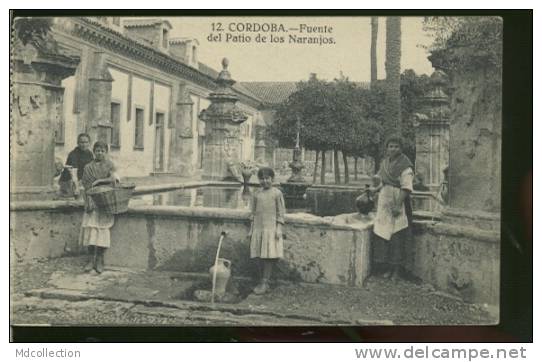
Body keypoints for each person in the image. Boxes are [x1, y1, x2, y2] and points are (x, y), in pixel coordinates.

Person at [370, 135, 414, 281]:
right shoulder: (385, 163)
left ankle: (397, 270)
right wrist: (375, 190)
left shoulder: (405, 165)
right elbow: (381, 182)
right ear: (387, 148)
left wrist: (397, 205)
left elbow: (406, 187)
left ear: (401, 149)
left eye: (396, 146)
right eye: (391, 146)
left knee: (397, 236)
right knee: (383, 234)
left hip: (397, 202)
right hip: (384, 202)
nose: (393, 149)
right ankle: (386, 268)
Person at [79, 141, 120, 274]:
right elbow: (85, 185)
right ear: (94, 151)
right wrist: (88, 200)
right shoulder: (88, 167)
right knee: (91, 230)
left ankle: (100, 259)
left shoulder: (110, 165)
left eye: (102, 150)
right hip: (92, 201)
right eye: (97, 150)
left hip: (105, 202)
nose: (99, 153)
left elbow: (115, 179)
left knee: (102, 230)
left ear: (106, 152)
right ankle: (91, 259)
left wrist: (99, 181)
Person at [248, 166, 286, 295]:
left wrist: (278, 228)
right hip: (259, 229)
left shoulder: (277, 193)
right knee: (258, 255)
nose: (265, 181)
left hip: (271, 229)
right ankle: (261, 281)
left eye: (267, 178)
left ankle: (265, 282)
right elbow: (252, 213)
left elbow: (281, 212)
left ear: (272, 179)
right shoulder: (256, 193)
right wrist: (251, 229)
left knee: (269, 256)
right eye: (262, 179)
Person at [58, 133, 94, 197]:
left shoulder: (90, 154)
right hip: (69, 180)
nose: (84, 144)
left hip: (81, 180)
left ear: (89, 143)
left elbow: (92, 169)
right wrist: (77, 187)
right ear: (78, 143)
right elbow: (73, 172)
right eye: (82, 142)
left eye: (86, 142)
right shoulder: (73, 154)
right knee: (76, 196)